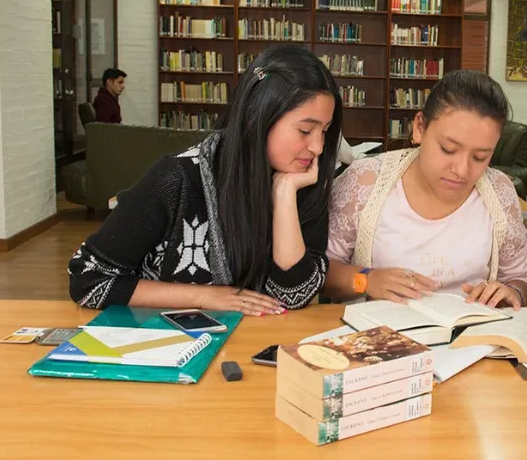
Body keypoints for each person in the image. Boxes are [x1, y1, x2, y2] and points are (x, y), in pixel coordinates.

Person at [68, 45, 343, 316]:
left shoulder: (306, 181)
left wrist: (284, 195)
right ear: (256, 117)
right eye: (305, 130)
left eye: (326, 131)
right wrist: (205, 296)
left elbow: (292, 296)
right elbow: (88, 279)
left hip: (254, 342)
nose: (318, 147)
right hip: (167, 341)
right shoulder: (175, 178)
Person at [322, 70, 527, 308]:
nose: (462, 170)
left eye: (480, 157)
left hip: (471, 338)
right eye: (448, 149)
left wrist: (513, 292)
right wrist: (366, 280)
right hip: (378, 336)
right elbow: (320, 273)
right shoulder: (366, 182)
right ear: (419, 128)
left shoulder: (499, 193)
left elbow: (524, 278)